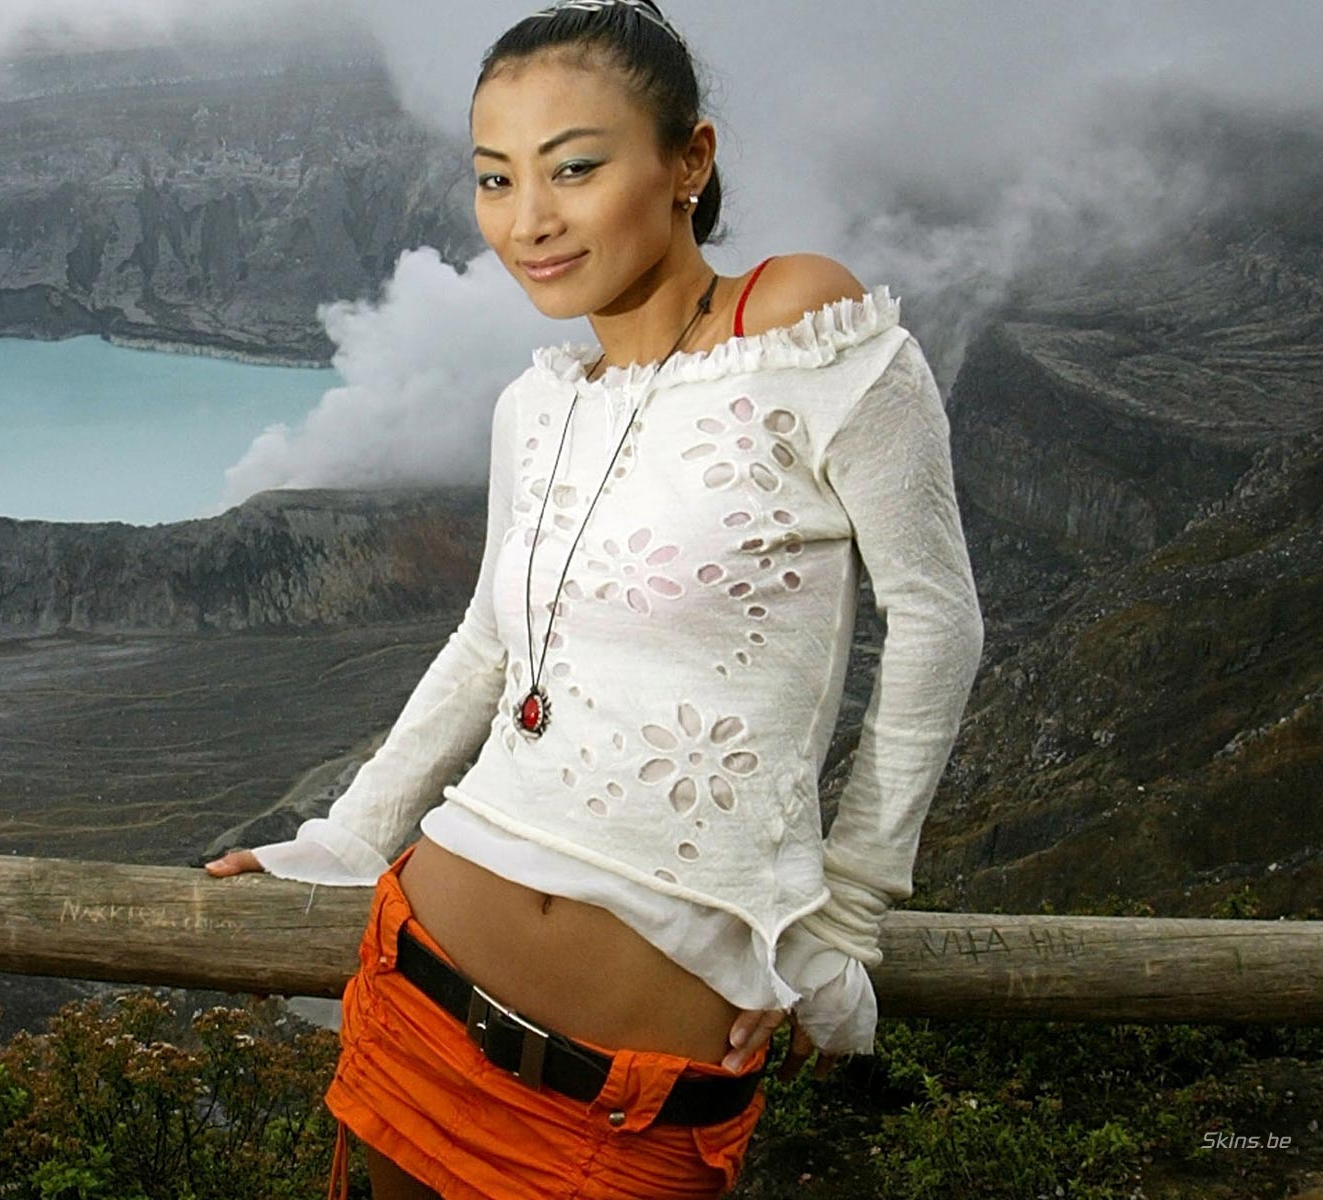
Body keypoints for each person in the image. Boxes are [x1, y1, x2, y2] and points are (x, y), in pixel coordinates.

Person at [204, 1, 985, 1196]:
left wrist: (846, 915)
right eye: (495, 178)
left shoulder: (802, 327)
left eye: (573, 168)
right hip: (420, 993)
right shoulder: (536, 403)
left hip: (628, 1096)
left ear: (689, 161)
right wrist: (350, 835)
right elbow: (486, 643)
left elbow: (936, 620)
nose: (529, 221)